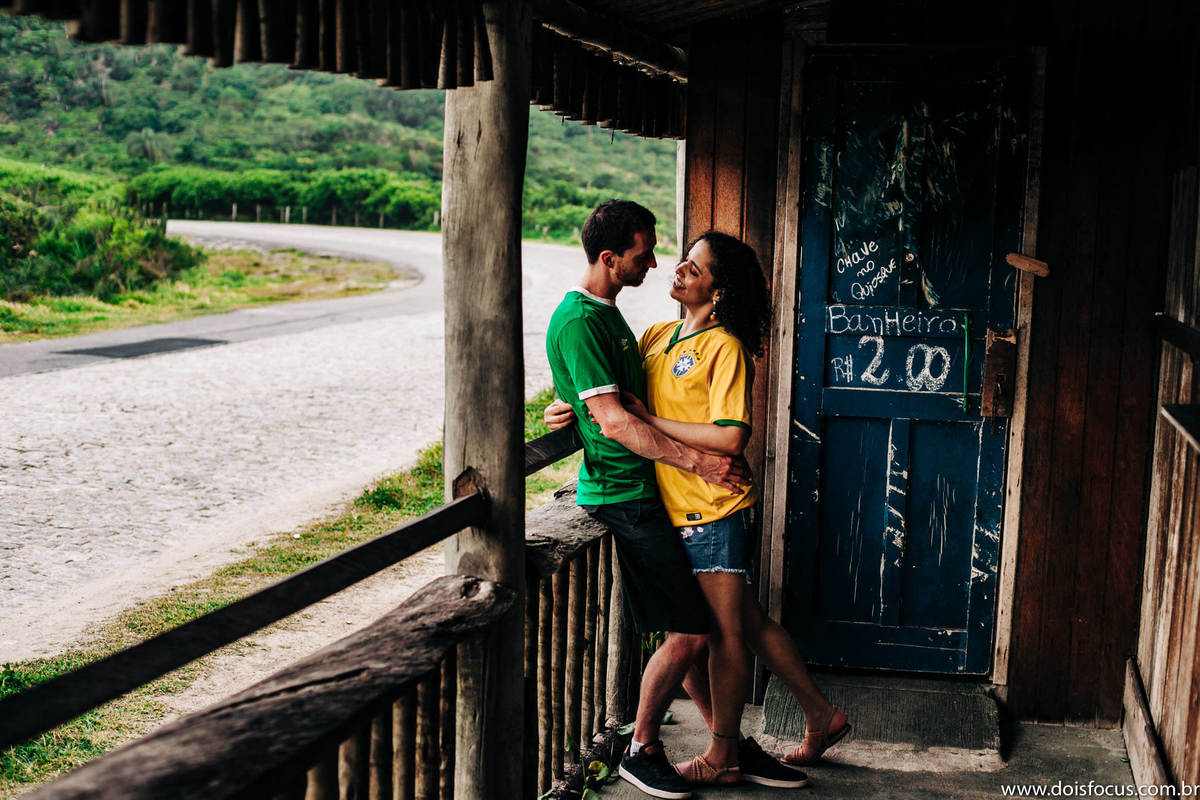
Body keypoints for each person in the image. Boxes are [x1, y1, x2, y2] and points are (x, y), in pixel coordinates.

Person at [547, 231, 851, 788]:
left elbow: (731, 437)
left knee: (723, 635)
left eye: (695, 266)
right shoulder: (658, 337)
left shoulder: (724, 346)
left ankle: (722, 754)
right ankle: (819, 715)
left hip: (712, 509)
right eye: (683, 260)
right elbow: (615, 398)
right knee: (744, 624)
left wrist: (652, 422)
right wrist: (571, 403)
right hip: (676, 508)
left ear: (720, 287)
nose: (679, 270)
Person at [545, 199, 746, 800]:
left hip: (648, 491)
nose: (657, 263)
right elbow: (614, 420)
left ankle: (725, 742)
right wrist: (701, 461)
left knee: (698, 628)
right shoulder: (582, 320)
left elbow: (611, 404)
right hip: (625, 493)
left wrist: (571, 412)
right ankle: (642, 747)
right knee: (687, 631)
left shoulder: (616, 320)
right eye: (644, 254)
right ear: (610, 259)